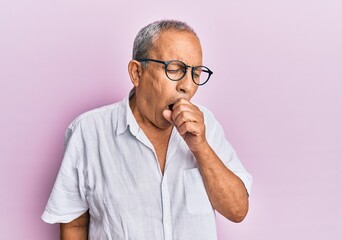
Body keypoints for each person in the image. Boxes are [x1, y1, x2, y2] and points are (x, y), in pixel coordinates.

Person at [42, 19, 253, 240]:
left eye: (196, 74)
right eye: (175, 69)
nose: (188, 86)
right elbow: (74, 225)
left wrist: (200, 147)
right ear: (137, 73)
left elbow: (237, 211)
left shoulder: (206, 125)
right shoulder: (88, 132)